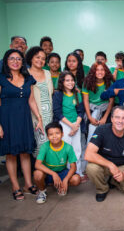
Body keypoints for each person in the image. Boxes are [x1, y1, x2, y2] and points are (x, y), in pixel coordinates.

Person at [0, 49, 43, 200]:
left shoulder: (27, 78)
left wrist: (39, 117)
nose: (15, 61)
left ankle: (28, 184)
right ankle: (15, 186)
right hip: (7, 120)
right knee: (11, 154)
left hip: (24, 118)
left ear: (22, 62)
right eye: (12, 58)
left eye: (18, 59)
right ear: (6, 61)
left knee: (25, 152)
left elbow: (31, 100)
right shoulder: (1, 78)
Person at [85, 106, 124, 202]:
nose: (120, 121)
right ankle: (102, 189)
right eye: (117, 117)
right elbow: (88, 154)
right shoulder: (101, 130)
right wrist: (110, 165)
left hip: (122, 166)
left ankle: (114, 180)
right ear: (111, 118)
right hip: (104, 165)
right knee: (91, 168)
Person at [34, 122, 81, 204]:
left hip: (62, 172)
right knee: (37, 174)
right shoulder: (45, 146)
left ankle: (61, 186)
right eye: (51, 134)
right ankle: (42, 191)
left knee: (76, 179)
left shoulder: (68, 147)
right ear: (47, 136)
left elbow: (73, 167)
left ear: (62, 134)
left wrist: (66, 180)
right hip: (48, 173)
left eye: (57, 133)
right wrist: (53, 174)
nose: (54, 136)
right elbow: (37, 164)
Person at [53, 71, 85, 179]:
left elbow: (80, 110)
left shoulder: (77, 94)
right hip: (64, 124)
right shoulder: (58, 94)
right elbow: (57, 112)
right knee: (66, 150)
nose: (70, 82)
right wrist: (71, 126)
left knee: (77, 149)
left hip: (76, 123)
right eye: (67, 80)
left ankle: (78, 173)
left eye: (72, 80)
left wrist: (76, 125)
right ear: (62, 82)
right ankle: (68, 174)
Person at [26, 46, 54, 156]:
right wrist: (38, 116)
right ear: (31, 58)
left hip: (49, 114)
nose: (40, 60)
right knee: (39, 145)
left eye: (43, 58)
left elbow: (50, 93)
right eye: (37, 57)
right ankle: (40, 170)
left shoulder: (47, 73)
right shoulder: (26, 74)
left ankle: (47, 170)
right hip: (35, 115)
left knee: (49, 143)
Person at [83, 62, 114, 142]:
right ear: (93, 72)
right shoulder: (87, 83)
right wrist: (90, 117)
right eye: (97, 70)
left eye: (102, 70)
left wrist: (105, 117)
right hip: (91, 108)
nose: (100, 72)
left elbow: (111, 101)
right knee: (90, 129)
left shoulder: (109, 83)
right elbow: (86, 101)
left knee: (106, 132)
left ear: (106, 71)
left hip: (105, 109)